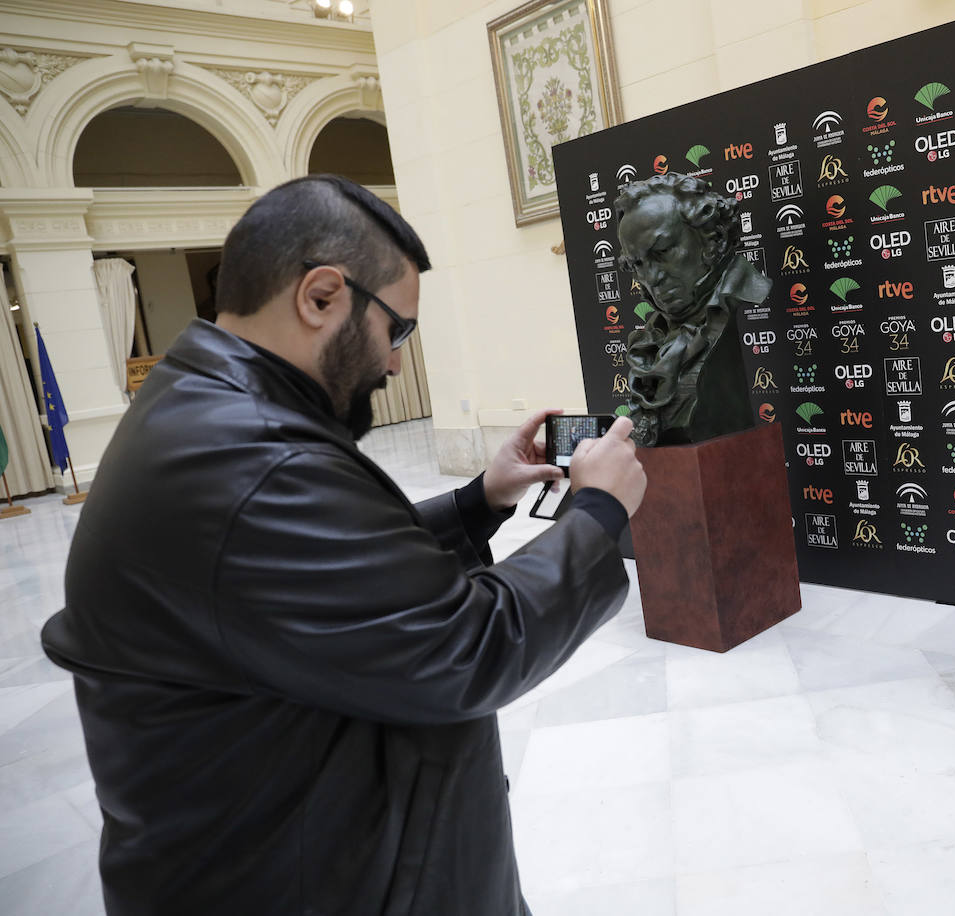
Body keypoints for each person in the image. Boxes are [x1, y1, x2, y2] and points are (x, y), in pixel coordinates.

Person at [40, 174, 646, 915]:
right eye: (399, 330)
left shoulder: (206, 410)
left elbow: (328, 585)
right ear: (321, 296)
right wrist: (597, 513)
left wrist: (475, 502)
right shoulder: (254, 459)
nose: (395, 363)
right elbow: (467, 647)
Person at [615, 172, 771, 445]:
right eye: (637, 264)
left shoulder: (736, 304)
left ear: (714, 238)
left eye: (662, 252)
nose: (651, 278)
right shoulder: (651, 340)